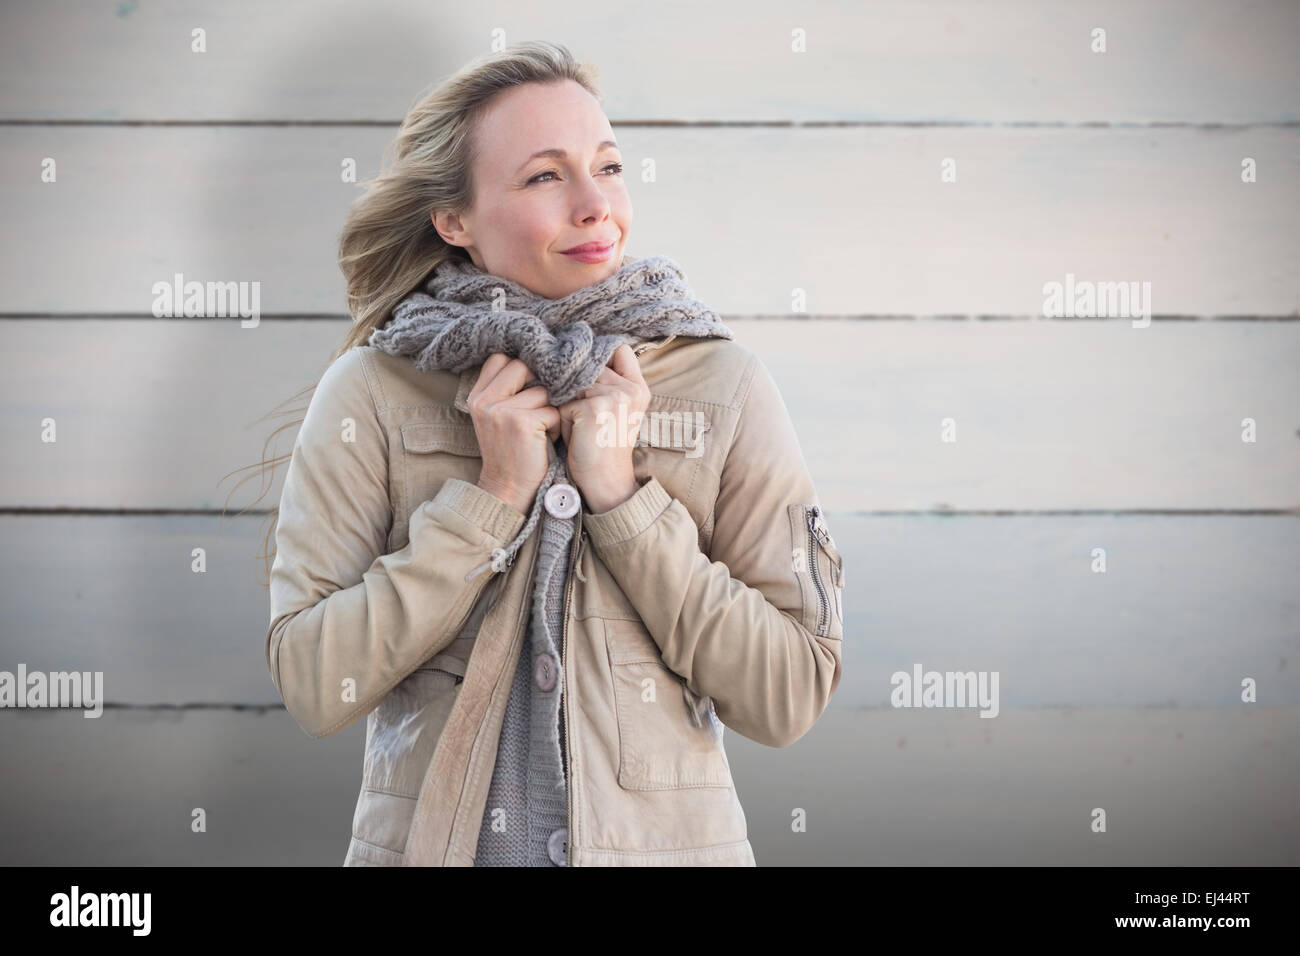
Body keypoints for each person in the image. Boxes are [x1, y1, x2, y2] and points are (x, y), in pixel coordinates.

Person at [260, 40, 845, 867]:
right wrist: (490, 499)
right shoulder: (374, 391)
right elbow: (318, 688)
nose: (594, 205)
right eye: (544, 176)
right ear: (453, 219)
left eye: (607, 167)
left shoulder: (725, 383)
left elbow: (786, 698)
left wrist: (624, 501)